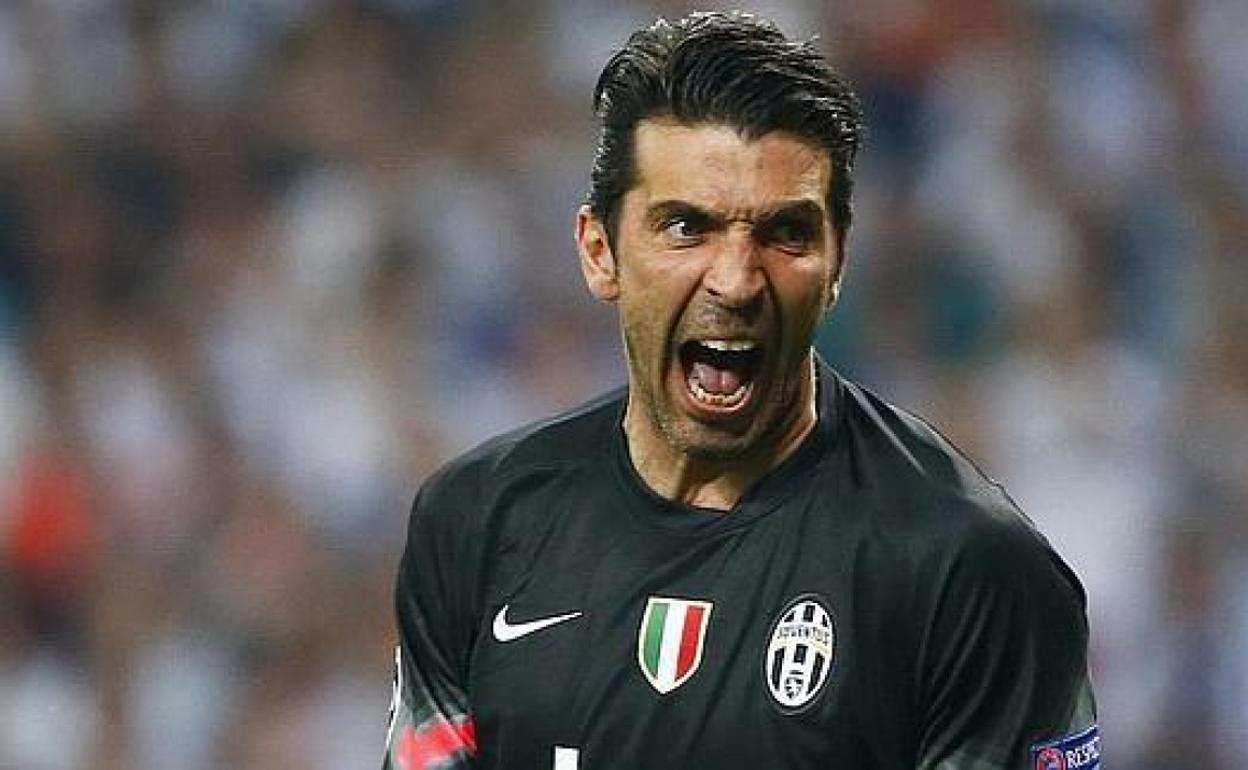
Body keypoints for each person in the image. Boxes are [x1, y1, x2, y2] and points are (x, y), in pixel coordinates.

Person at [382, 11, 1099, 770]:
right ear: (600, 252)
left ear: (837, 264)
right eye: (686, 227)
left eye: (785, 234)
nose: (736, 280)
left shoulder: (967, 569)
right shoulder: (478, 522)